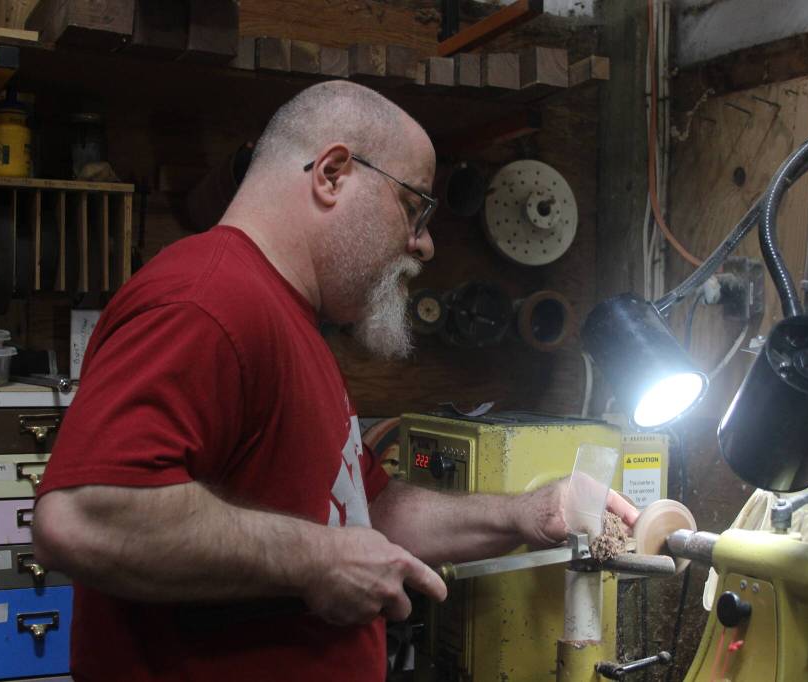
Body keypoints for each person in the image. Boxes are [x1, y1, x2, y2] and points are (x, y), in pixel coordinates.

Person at [33, 81, 638, 681]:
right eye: (413, 206)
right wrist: (316, 559)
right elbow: (86, 516)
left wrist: (529, 512)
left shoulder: (288, 319)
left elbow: (367, 513)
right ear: (332, 174)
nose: (423, 244)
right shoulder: (210, 300)